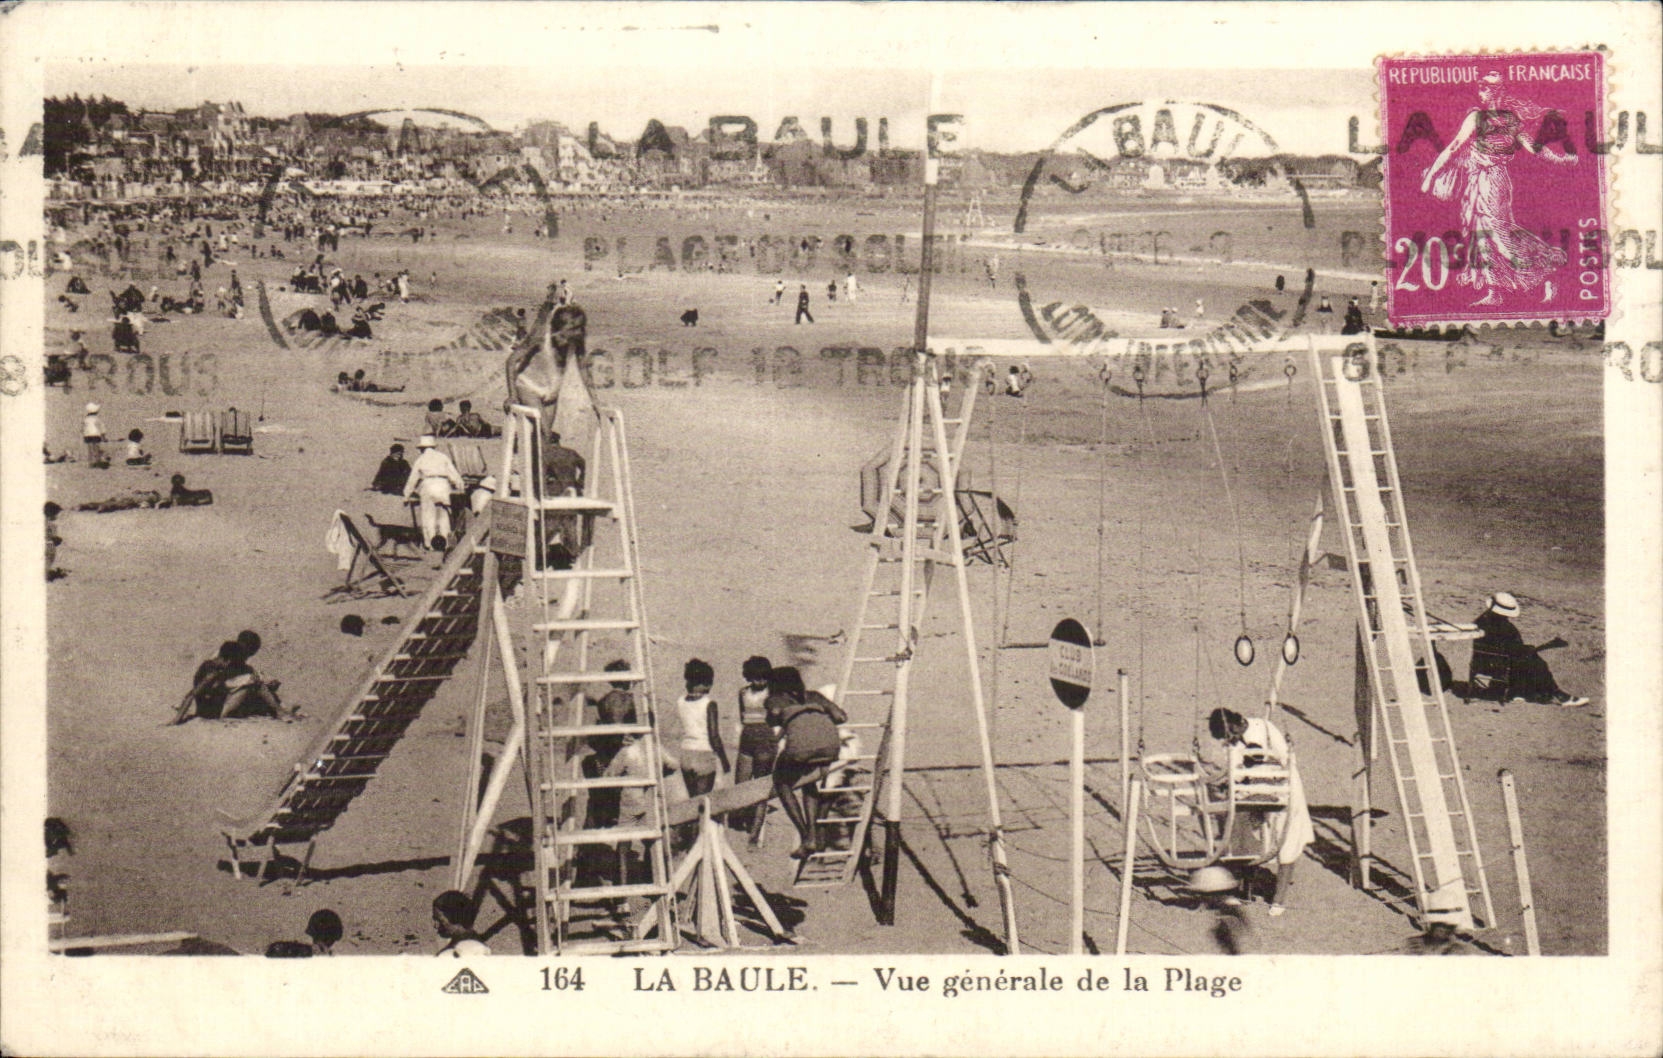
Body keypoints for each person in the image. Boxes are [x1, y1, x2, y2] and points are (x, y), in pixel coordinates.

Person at [1419, 70, 1576, 306]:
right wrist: (1431, 175)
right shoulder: (1490, 118)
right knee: (1479, 232)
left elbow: (1533, 147)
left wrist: (1430, 177)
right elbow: (1456, 148)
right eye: (1482, 87)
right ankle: (1495, 292)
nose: (1482, 92)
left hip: (1493, 181)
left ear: (1492, 92)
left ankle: (1545, 273)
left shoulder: (1495, 119)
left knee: (1499, 234)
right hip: (1477, 180)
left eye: (1486, 88)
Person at [1201, 707, 1313, 917]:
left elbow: (1288, 760)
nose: (1230, 740)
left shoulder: (1266, 729)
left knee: (1286, 841)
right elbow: (1235, 771)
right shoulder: (1234, 743)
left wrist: (1267, 777)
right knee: (1242, 834)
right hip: (1252, 792)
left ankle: (1278, 900)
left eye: (1230, 735)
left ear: (1236, 724)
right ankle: (1246, 891)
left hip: (1282, 790)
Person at [766, 666, 846, 859]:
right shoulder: (814, 696)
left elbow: (772, 718)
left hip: (801, 748)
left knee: (782, 782)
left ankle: (806, 835)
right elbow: (841, 717)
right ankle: (814, 833)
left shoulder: (775, 699)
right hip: (831, 747)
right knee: (807, 782)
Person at [1471, 592, 1588, 706]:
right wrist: (1529, 650)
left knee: (1531, 658)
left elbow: (1504, 647)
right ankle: (1558, 694)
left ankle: (1520, 692)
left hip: (1483, 661)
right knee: (1537, 662)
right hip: (1499, 664)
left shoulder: (1482, 620)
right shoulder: (1504, 627)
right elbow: (1511, 649)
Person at [584, 660, 638, 831]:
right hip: (625, 753)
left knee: (598, 798)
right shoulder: (631, 699)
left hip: (607, 753)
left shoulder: (605, 700)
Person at [732, 656, 777, 842]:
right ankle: (744, 818)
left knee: (760, 785)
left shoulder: (772, 693)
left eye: (763, 678)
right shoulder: (743, 692)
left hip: (765, 738)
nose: (759, 682)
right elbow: (742, 716)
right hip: (747, 738)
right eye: (755, 678)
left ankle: (755, 830)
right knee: (741, 782)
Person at [674, 659, 728, 800]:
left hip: (686, 754)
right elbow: (714, 736)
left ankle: (692, 823)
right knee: (703, 802)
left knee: (693, 800)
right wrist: (724, 760)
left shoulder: (680, 701)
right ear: (705, 683)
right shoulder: (709, 704)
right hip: (704, 754)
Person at [404, 435, 465, 551]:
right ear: (433, 447)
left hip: (428, 485)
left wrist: (406, 495)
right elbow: (454, 474)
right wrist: (460, 486)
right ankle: (445, 543)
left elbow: (413, 479)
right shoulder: (443, 457)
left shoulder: (421, 459)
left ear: (422, 448)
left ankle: (430, 544)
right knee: (444, 515)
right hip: (443, 486)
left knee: (428, 516)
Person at [432, 890, 491, 957]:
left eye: (440, 920)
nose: (435, 926)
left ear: (456, 918)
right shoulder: (480, 947)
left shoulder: (473, 950)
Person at [82, 402, 107, 467]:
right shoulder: (97, 418)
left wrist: (84, 433)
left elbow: (82, 428)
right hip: (96, 434)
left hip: (87, 435)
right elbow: (102, 427)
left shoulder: (86, 419)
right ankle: (97, 461)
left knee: (90, 449)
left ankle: (91, 462)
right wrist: (103, 436)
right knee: (96, 448)